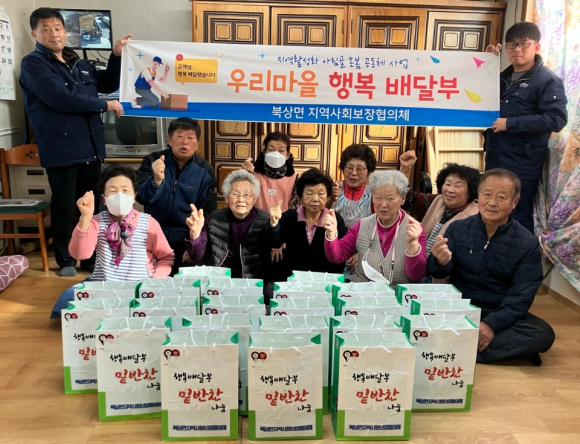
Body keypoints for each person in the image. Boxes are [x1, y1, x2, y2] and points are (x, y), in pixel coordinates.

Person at [20, 7, 131, 277]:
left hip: (91, 148)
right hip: (62, 149)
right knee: (66, 206)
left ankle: (90, 257)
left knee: (92, 206)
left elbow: (107, 83)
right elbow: (61, 99)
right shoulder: (34, 64)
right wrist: (104, 105)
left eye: (58, 28)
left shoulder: (79, 63)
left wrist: (116, 55)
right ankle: (66, 260)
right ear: (35, 34)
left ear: (65, 31)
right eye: (46, 29)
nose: (53, 33)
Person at [428, 169, 555, 365]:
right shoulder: (457, 229)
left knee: (543, 334)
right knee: (420, 317)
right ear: (478, 197)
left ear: (514, 202)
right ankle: (484, 348)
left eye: (501, 197)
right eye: (487, 195)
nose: (492, 203)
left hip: (498, 311)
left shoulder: (527, 243)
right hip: (460, 308)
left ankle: (454, 349)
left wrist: (491, 324)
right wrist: (440, 261)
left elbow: (522, 295)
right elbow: (437, 271)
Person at [50, 165, 174, 319]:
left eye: (125, 190)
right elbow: (80, 254)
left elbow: (166, 257)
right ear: (104, 199)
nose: (120, 196)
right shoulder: (95, 221)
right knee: (68, 298)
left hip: (140, 286)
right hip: (104, 285)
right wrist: (85, 218)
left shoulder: (149, 222)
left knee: (171, 301)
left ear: (134, 196)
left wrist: (154, 282)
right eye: (113, 191)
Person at [484, 21, 567, 233]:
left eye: (523, 43)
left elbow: (556, 119)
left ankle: (520, 254)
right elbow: (475, 94)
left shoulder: (547, 80)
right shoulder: (502, 77)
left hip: (523, 163)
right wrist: (486, 63)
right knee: (491, 211)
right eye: (512, 44)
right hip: (495, 156)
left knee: (517, 216)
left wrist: (511, 124)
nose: (517, 49)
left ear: (536, 46)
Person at [137, 117, 217, 274]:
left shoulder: (205, 170)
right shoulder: (153, 161)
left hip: (184, 242)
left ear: (197, 143)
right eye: (179, 136)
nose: (185, 142)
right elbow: (142, 198)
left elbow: (207, 212)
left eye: (191, 137)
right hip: (152, 239)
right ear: (169, 139)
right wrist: (156, 180)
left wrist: (194, 244)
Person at [323, 170, 426, 284]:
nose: (383, 204)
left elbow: (416, 275)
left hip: (398, 291)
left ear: (403, 199)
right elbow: (337, 256)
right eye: (378, 197)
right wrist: (331, 234)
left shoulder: (414, 229)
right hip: (363, 290)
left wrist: (412, 244)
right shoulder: (363, 225)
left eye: (390, 198)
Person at [184, 169, 271, 280]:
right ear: (226, 198)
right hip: (217, 279)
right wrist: (195, 235)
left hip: (253, 281)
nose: (241, 199)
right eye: (235, 194)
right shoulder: (213, 219)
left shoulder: (265, 221)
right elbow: (196, 255)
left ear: (254, 199)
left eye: (246, 195)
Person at [268, 168, 348, 281]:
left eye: (321, 194)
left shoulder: (335, 220)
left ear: (328, 197)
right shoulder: (289, 217)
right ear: (301, 196)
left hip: (324, 281)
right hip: (291, 280)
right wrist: (274, 223)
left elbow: (340, 256)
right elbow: (275, 242)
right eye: (309, 193)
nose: (315, 199)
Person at [399, 151, 480, 256]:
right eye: (448, 184)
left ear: (470, 191)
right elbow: (407, 199)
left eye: (458, 186)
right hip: (417, 259)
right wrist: (405, 169)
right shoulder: (437, 201)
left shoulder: (475, 218)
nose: (450, 190)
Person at [326, 143, 377, 276]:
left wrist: (363, 254)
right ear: (343, 168)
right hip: (331, 253)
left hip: (359, 258)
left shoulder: (374, 195)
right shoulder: (332, 189)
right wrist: (330, 200)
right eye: (349, 168)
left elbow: (379, 230)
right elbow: (317, 218)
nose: (353, 173)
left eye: (360, 169)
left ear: (368, 171)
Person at [241, 132, 299, 212]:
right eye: (271, 150)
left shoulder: (294, 178)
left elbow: (295, 211)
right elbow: (242, 201)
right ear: (264, 152)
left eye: (281, 150)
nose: (276, 154)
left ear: (287, 155)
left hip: (283, 219)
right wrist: (244, 174)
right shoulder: (253, 174)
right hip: (257, 219)